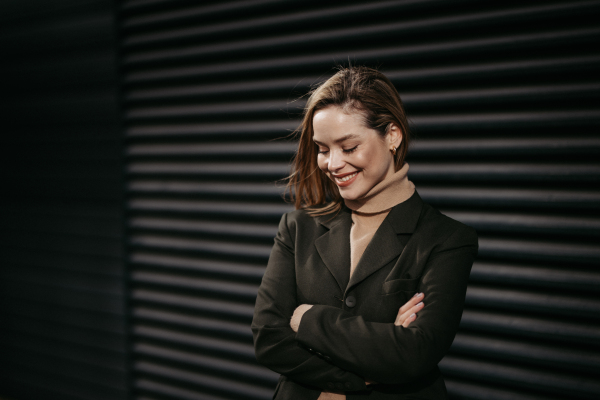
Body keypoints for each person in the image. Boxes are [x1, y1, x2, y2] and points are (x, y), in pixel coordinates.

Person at [252, 66, 478, 399]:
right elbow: (269, 337)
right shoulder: (297, 228)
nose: (332, 164)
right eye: (323, 149)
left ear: (392, 136)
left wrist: (309, 319)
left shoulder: (447, 239)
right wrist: (365, 373)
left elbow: (415, 353)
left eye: (348, 147)